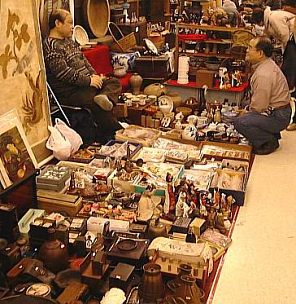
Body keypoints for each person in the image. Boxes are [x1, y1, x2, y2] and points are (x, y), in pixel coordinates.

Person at [43, 9, 122, 143]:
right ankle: (116, 132)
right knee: (95, 101)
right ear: (57, 23)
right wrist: (89, 81)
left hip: (86, 84)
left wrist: (95, 77)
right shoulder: (51, 45)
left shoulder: (70, 42)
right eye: (69, 23)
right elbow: (63, 73)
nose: (72, 27)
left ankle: (104, 98)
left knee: (113, 82)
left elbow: (84, 61)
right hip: (70, 91)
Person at [233, 37, 291, 155]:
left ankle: (268, 142)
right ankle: (269, 133)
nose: (247, 50)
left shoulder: (263, 74)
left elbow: (259, 107)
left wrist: (245, 112)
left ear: (260, 53)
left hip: (278, 115)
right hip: (278, 111)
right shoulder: (266, 64)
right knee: (243, 109)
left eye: (250, 48)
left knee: (240, 122)